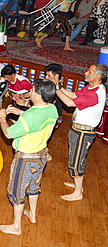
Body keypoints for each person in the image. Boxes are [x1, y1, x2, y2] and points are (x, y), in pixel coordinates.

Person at [0, 78, 58, 235]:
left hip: (25, 159)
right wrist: (20, 112)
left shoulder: (29, 117)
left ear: (37, 94)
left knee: (17, 191)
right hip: (41, 155)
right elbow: (38, 117)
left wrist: (3, 117)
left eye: (32, 90)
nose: (29, 91)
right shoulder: (52, 109)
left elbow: (8, 134)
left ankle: (16, 227)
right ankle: (32, 215)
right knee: (33, 187)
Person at [53, 63, 107, 201]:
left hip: (83, 133)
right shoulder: (91, 88)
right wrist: (58, 86)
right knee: (75, 157)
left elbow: (70, 103)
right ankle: (78, 185)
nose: (86, 73)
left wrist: (56, 86)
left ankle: (78, 193)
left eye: (89, 71)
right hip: (78, 130)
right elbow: (72, 95)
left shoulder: (95, 93)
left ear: (98, 76)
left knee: (77, 161)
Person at [44, 63, 64, 129]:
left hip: (53, 117)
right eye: (46, 75)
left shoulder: (58, 91)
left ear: (56, 76)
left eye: (49, 75)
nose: (46, 77)